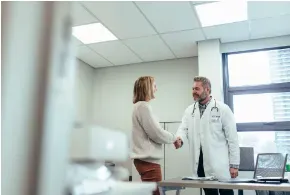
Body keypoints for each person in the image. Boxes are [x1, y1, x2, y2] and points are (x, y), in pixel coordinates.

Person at [174, 76, 240, 195]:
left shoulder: (223, 109)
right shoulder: (190, 110)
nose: (193, 92)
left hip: (219, 163)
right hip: (200, 164)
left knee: (226, 193)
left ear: (207, 90)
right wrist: (179, 139)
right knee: (210, 193)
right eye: (193, 88)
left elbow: (233, 139)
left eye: (197, 89)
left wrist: (234, 164)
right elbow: (183, 129)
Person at [131, 76, 178, 195]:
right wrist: (174, 138)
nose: (156, 89)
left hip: (145, 160)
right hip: (148, 161)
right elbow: (156, 133)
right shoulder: (143, 107)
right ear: (147, 88)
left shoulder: (140, 106)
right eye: (154, 86)